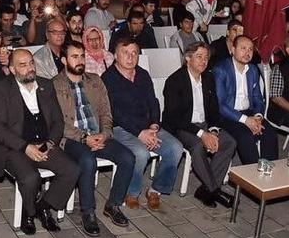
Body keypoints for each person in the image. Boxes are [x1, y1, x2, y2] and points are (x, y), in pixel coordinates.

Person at [0, 49, 79, 235]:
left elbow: (58, 121)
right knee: (30, 178)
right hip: (13, 147)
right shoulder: (2, 89)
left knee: (72, 169)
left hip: (44, 143)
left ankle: (43, 206)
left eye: (31, 63)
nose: (30, 68)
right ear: (12, 69)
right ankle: (27, 215)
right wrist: (25, 147)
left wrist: (50, 143)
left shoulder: (45, 85)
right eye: (23, 65)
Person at [53, 41, 132, 233]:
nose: (80, 60)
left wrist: (105, 134)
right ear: (64, 60)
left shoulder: (95, 80)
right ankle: (88, 211)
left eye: (82, 56)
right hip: (72, 139)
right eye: (74, 56)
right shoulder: (54, 85)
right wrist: (84, 138)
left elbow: (106, 112)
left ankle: (113, 204)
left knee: (127, 158)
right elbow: (58, 123)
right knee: (88, 161)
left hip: (98, 135)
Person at [101, 38, 184, 210]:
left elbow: (153, 102)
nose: (131, 57)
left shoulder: (143, 74)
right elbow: (114, 112)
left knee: (175, 148)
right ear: (116, 56)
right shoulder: (108, 78)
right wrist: (140, 132)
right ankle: (132, 192)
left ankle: (156, 189)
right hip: (120, 128)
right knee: (140, 153)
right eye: (126, 53)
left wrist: (154, 125)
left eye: (134, 53)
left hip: (148, 126)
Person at [162, 42, 237, 208]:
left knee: (229, 142)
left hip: (204, 125)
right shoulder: (175, 81)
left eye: (206, 57)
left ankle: (206, 189)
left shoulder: (209, 78)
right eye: (199, 57)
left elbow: (214, 109)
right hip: (181, 127)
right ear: (188, 58)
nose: (204, 61)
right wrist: (202, 134)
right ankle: (215, 190)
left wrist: (213, 130)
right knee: (197, 147)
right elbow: (174, 117)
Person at [212, 35, 278, 164]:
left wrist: (258, 117)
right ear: (232, 49)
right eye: (243, 48)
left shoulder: (253, 69)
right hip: (228, 115)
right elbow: (221, 105)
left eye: (250, 49)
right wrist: (246, 121)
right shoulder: (220, 69)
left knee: (270, 134)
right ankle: (253, 177)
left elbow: (258, 97)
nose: (247, 53)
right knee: (246, 137)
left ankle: (269, 172)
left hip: (249, 112)